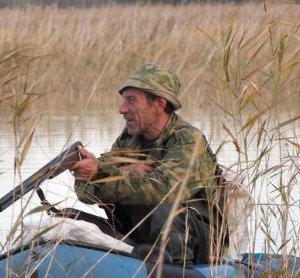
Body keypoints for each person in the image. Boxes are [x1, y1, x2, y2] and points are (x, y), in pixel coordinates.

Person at [68, 63, 222, 266]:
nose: (122, 109)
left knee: (167, 213)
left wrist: (104, 172)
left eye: (131, 100)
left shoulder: (187, 140)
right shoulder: (128, 140)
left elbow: (165, 191)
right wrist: (96, 172)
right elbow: (86, 194)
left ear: (159, 104)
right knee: (71, 219)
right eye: (123, 100)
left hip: (199, 241)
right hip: (145, 239)